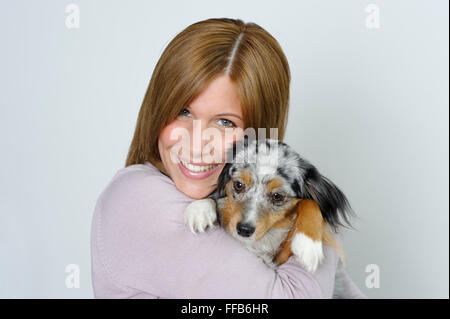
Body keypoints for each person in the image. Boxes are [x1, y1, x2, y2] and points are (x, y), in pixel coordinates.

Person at [90, 18, 366, 298]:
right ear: (158, 108)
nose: (197, 144)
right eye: (183, 112)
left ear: (258, 136)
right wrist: (314, 223)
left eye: (225, 122)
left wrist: (313, 213)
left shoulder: (234, 194)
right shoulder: (139, 199)